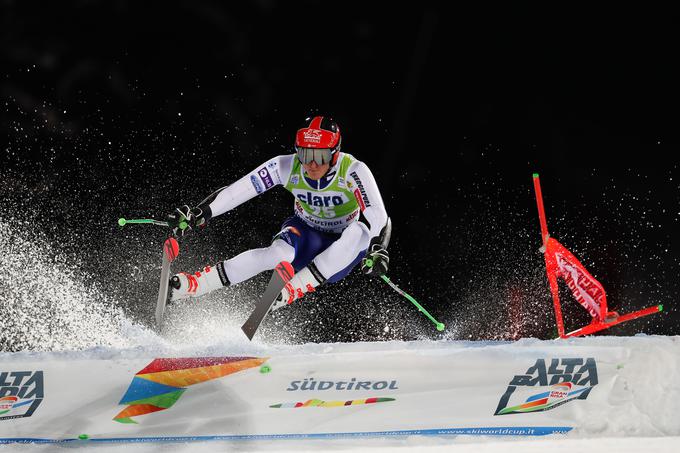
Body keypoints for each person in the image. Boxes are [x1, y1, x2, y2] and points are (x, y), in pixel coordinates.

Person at [166, 116, 391, 310]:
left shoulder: (352, 170)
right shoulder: (285, 166)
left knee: (360, 230)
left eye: (320, 157)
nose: (311, 165)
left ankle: (295, 287)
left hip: (341, 250)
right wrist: (199, 214)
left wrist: (378, 247)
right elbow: (238, 191)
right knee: (278, 255)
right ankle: (193, 285)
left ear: (334, 154)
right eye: (304, 155)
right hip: (304, 233)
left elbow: (378, 215)